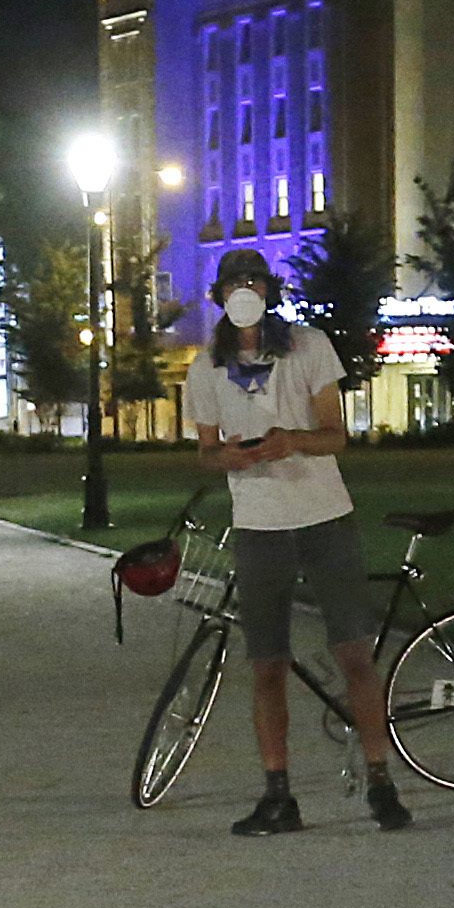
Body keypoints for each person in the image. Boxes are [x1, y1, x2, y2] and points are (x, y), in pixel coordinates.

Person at [180, 246, 404, 835]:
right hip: (258, 525)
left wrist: (295, 441)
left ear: (269, 291)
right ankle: (278, 794)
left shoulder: (308, 346)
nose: (244, 290)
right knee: (267, 664)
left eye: (254, 280)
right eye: (234, 283)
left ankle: (381, 781)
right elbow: (205, 450)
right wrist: (223, 455)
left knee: (354, 653)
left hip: (324, 515)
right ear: (221, 296)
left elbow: (336, 436)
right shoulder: (205, 367)